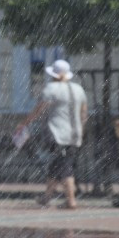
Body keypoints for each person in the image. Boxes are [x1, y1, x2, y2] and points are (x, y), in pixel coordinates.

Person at [16, 59, 87, 209]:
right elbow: (84, 113)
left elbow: (38, 110)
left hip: (58, 134)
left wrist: (24, 123)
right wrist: (81, 129)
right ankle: (47, 198)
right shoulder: (79, 89)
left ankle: (71, 200)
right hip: (75, 135)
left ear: (53, 74)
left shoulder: (51, 88)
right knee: (56, 165)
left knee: (65, 166)